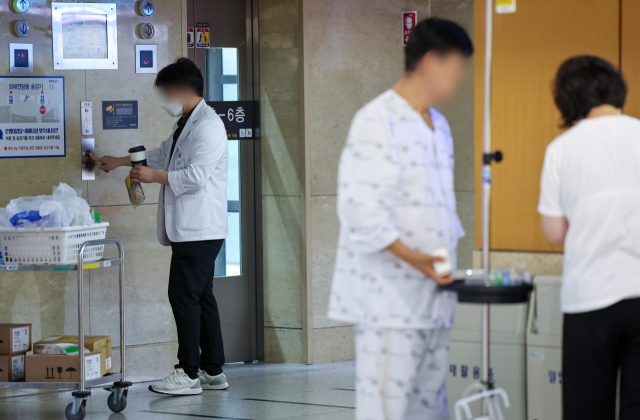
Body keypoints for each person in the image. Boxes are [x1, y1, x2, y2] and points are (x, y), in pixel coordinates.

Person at [327, 18, 473, 420]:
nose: (460, 80)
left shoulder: (439, 126)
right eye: (457, 68)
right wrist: (417, 259)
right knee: (388, 408)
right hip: (389, 297)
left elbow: (440, 208)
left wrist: (442, 263)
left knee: (430, 404)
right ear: (430, 62)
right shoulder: (377, 120)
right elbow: (361, 212)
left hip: (435, 294)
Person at [91, 58, 229, 396]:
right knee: (201, 296)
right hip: (193, 229)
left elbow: (195, 176)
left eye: (166, 92)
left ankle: (188, 373)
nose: (163, 99)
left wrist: (155, 178)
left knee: (182, 296)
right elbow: (161, 154)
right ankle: (213, 369)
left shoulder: (209, 126)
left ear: (181, 90)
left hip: (200, 229)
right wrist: (120, 162)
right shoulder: (186, 123)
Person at [539, 55, 640, 420]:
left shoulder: (562, 149)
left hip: (591, 299)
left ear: (568, 99)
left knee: (587, 408)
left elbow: (554, 231)